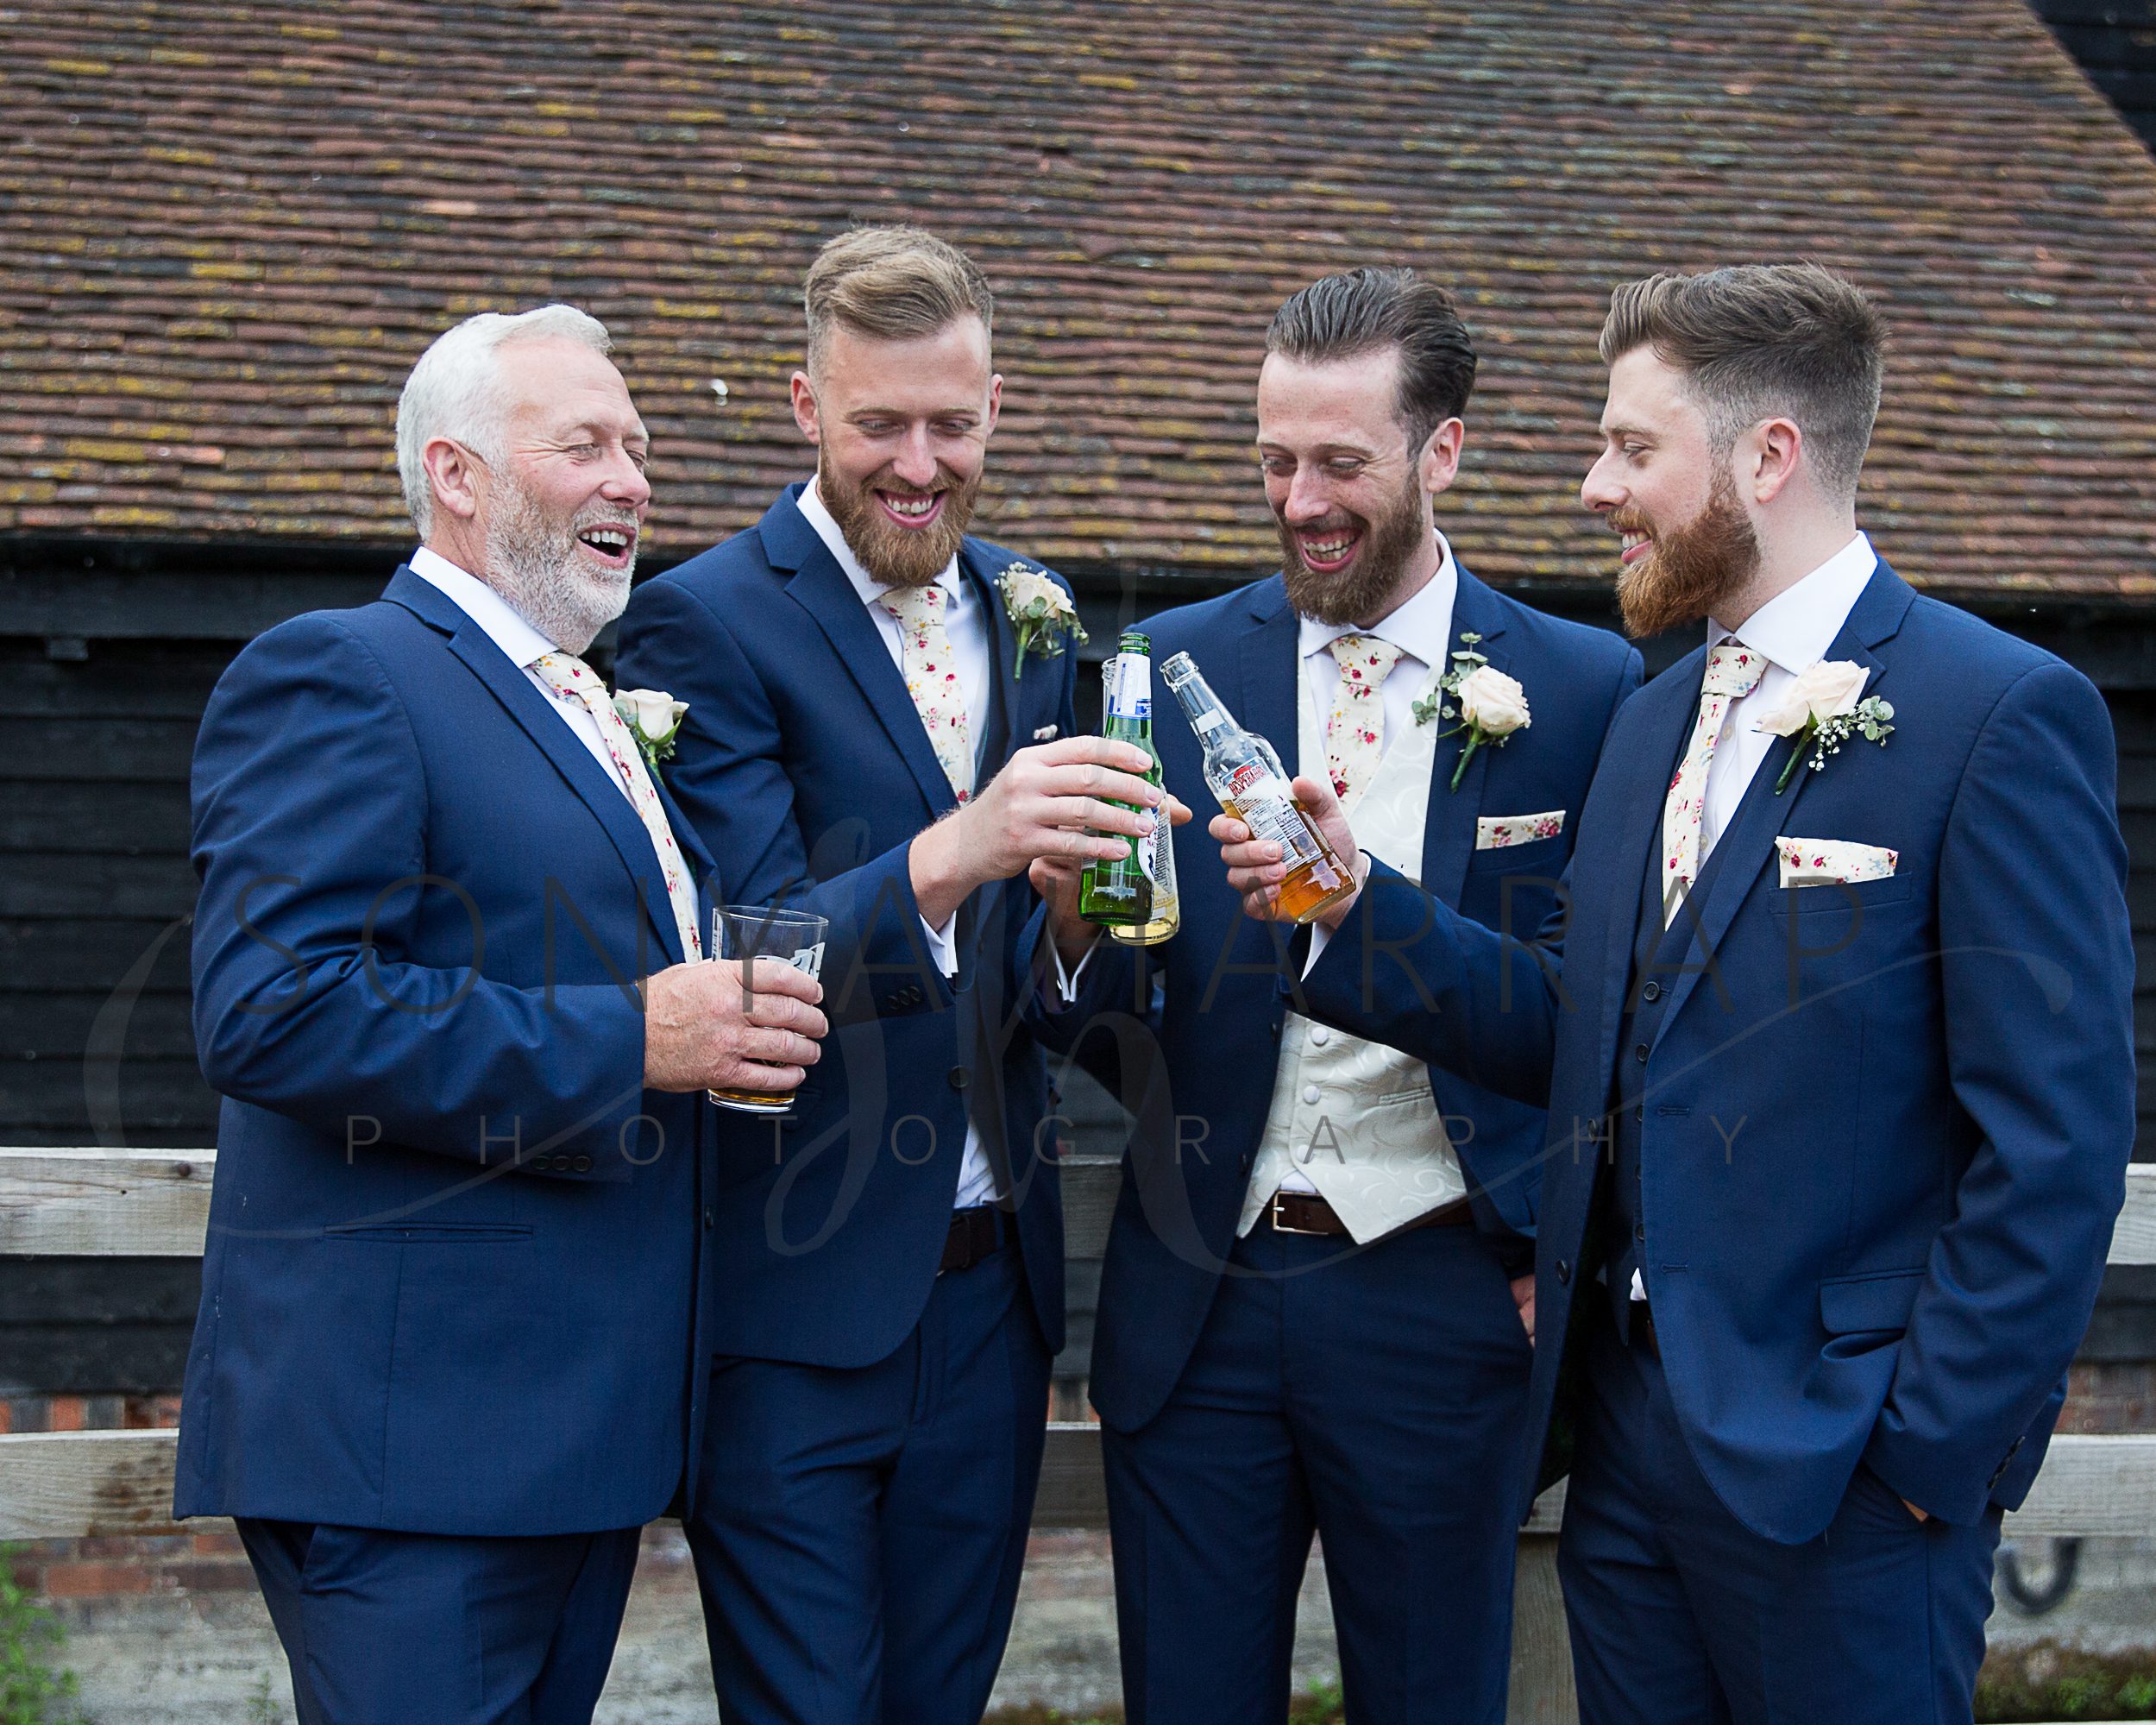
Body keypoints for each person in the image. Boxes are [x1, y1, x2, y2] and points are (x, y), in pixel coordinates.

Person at [1218, 263, 2135, 1723]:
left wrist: (1924, 1460)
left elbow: (2056, 1143)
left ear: (1768, 456)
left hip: (1848, 1477)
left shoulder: (1996, 713)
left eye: (1633, 449)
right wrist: (1353, 910)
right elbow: (1575, 1036)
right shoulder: (1651, 723)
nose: (1595, 487)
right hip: (1632, 1462)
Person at [176, 305, 828, 1723]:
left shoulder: (585, 701)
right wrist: (636, 1038)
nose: (634, 480)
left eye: (640, 449)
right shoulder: (344, 669)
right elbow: (271, 1009)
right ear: (457, 474)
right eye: (585, 444)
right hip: (413, 1452)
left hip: (566, 1449)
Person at [1026, 268, 1641, 1724]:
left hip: (1444, 1298)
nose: (1301, 498)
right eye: (1276, 460)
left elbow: (1590, 1026)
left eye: (1342, 464)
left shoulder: (1588, 690)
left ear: (1442, 455)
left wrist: (1372, 917)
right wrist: (1061, 931)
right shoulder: (1160, 670)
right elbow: (1106, 1013)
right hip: (1202, 1297)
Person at [613, 226, 1162, 1725]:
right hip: (796, 1311)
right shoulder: (701, 621)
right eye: (880, 426)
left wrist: (1064, 916)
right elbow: (753, 941)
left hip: (994, 1316)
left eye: (953, 425)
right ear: (805, 404)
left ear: (994, 411)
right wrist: (959, 848)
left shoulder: (1036, 615)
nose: (919, 464)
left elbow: (1051, 991)